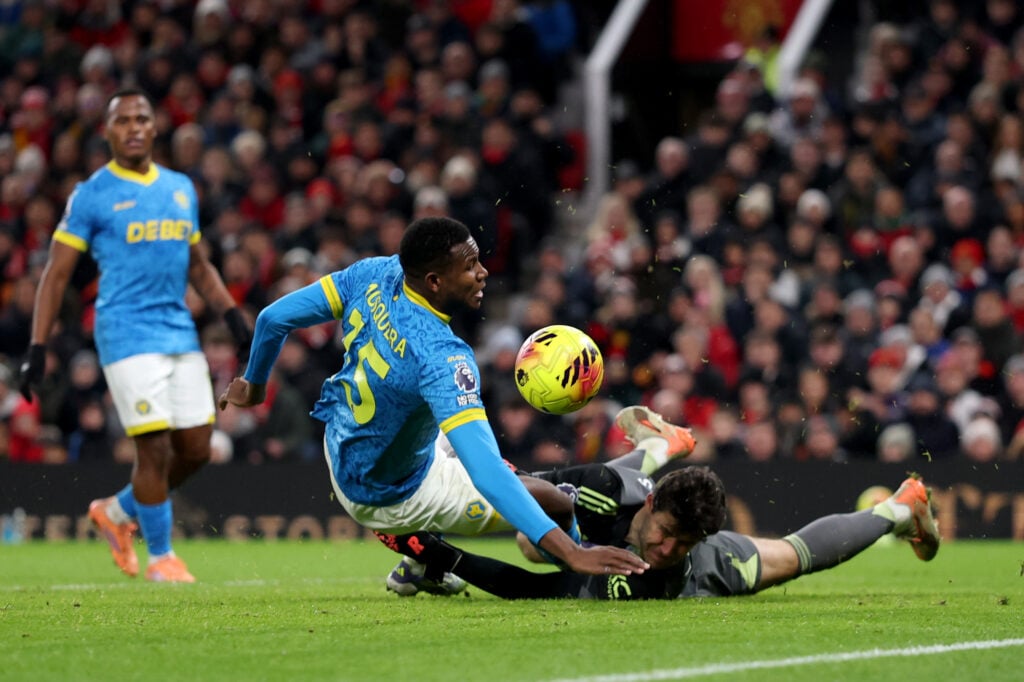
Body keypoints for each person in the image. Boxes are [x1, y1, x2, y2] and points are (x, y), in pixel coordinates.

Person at [217, 216, 651, 593]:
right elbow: (486, 473)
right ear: (435, 282)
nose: (482, 273)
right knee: (554, 502)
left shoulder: (376, 274)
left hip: (344, 439)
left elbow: (272, 319)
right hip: (392, 495)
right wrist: (573, 551)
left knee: (451, 438)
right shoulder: (443, 358)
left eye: (478, 260)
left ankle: (419, 565)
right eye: (470, 267)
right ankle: (581, 573)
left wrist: (253, 387)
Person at [19, 88, 253, 583]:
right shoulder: (92, 194)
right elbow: (57, 273)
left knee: (196, 447)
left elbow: (198, 264)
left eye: (141, 118)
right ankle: (162, 558)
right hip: (124, 332)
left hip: (178, 331)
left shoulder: (180, 188)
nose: (133, 127)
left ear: (154, 127)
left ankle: (117, 512)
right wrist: (38, 345)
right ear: (107, 131)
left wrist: (233, 316)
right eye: (122, 120)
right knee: (155, 447)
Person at [387, 406, 941, 600]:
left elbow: (532, 589)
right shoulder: (604, 488)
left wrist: (445, 558)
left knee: (794, 557)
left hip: (715, 567)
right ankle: (662, 446)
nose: (665, 548)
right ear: (650, 505)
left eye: (682, 542)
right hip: (610, 503)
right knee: (533, 532)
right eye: (665, 532)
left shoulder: (656, 568)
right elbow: (516, 486)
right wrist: (427, 544)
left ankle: (901, 506)